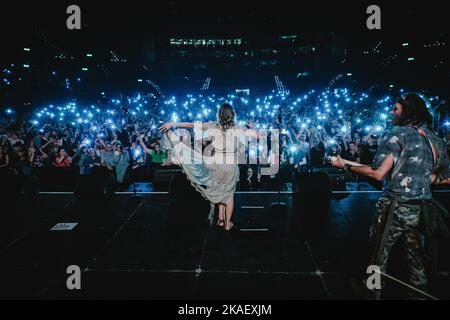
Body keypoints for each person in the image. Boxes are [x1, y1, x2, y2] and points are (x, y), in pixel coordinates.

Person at [331, 92, 450, 299]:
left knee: (377, 254)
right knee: (417, 259)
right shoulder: (435, 140)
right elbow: (446, 178)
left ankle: (372, 292)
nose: (391, 111)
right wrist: (420, 179)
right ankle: (419, 295)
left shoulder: (397, 134)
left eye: (395, 108)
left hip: (394, 207)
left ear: (407, 111)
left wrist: (344, 165)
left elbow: (377, 173)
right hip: (422, 209)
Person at [159, 103, 264, 231]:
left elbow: (192, 125)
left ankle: (220, 218)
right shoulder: (238, 128)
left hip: (216, 163)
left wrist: (172, 124)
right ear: (233, 115)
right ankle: (227, 224)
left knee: (220, 189)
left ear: (219, 114)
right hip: (230, 165)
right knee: (229, 195)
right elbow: (259, 135)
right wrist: (253, 128)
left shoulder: (213, 126)